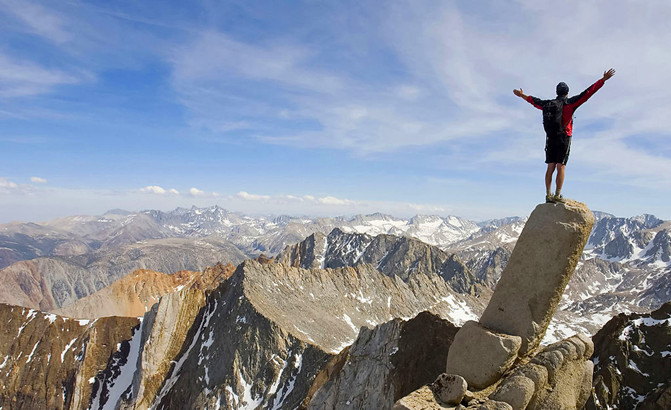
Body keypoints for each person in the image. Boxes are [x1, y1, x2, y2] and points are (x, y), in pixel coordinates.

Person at [513, 68, 615, 203]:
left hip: (550, 138)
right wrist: (602, 80)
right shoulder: (570, 103)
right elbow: (588, 93)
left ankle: (548, 195)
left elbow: (533, 101)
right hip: (564, 137)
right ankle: (557, 194)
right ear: (567, 93)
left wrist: (522, 95)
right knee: (561, 165)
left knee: (550, 166)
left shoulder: (547, 104)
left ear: (556, 93)